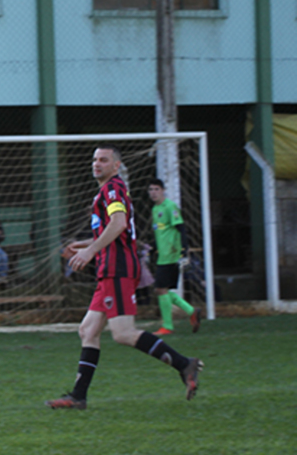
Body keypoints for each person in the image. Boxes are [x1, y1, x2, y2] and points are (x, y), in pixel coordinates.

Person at [46, 146, 202, 410]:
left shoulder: (113, 189)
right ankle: (78, 396)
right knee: (87, 330)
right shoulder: (108, 190)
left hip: (118, 268)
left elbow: (118, 225)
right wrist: (83, 244)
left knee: (123, 333)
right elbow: (117, 229)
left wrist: (89, 251)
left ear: (116, 165)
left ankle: (184, 364)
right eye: (94, 159)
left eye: (104, 160)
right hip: (108, 269)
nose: (97, 164)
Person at [147, 179, 200, 336]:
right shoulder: (155, 209)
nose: (153, 192)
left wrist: (184, 250)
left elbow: (181, 228)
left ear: (163, 190)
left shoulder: (170, 207)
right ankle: (191, 311)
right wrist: (153, 249)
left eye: (156, 189)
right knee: (163, 289)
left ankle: (168, 326)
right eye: (151, 189)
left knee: (160, 289)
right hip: (162, 254)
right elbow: (160, 232)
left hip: (171, 253)